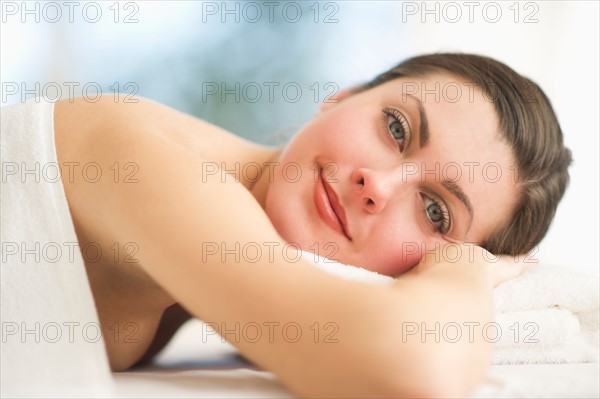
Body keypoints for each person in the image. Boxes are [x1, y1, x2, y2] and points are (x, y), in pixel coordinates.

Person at [49, 53, 570, 397]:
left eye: (435, 212)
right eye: (396, 128)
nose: (378, 185)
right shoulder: (140, 155)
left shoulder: (215, 282)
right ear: (342, 96)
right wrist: (464, 269)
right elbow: (410, 366)